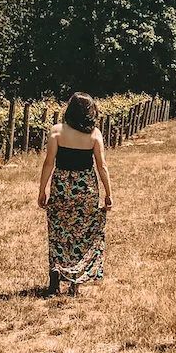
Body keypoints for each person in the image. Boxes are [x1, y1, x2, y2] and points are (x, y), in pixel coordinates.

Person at [38, 92, 113, 296]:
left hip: (62, 187)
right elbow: (102, 166)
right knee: (82, 234)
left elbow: (48, 163)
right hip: (86, 188)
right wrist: (108, 193)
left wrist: (42, 190)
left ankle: (55, 278)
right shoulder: (94, 134)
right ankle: (75, 280)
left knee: (58, 232)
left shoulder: (57, 131)